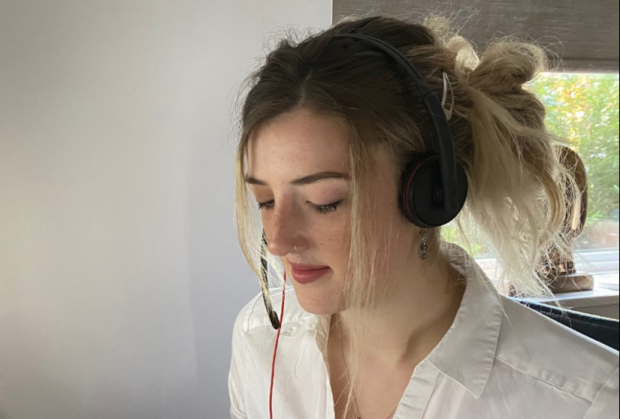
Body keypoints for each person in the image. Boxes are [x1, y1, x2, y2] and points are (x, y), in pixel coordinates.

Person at [228, 15, 619, 419]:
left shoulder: (587, 401)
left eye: (324, 202)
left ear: (430, 194)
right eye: (265, 200)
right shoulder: (259, 337)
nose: (277, 241)